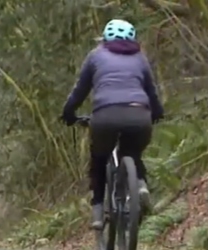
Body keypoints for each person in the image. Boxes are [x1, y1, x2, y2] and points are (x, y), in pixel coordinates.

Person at [60, 18, 164, 230]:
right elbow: (151, 92)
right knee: (133, 152)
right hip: (139, 114)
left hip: (105, 116)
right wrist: (157, 113)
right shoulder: (140, 58)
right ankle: (141, 185)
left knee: (98, 159)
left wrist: (68, 113)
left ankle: (98, 210)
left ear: (104, 37)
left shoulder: (96, 56)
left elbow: (80, 91)